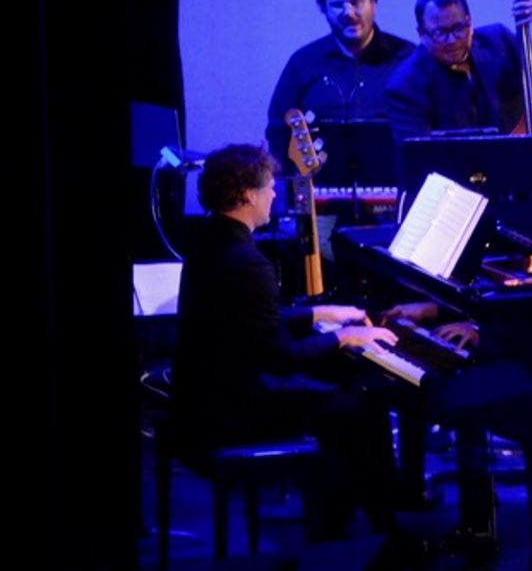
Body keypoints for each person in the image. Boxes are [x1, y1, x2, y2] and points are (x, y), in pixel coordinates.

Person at [170, 143, 404, 540]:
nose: (275, 193)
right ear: (246, 195)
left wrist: (319, 314)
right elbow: (280, 357)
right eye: (268, 186)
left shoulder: (210, 243)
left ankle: (341, 519)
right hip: (231, 414)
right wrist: (347, 336)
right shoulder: (248, 262)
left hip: (201, 400)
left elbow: (249, 320)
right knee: (359, 406)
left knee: (344, 396)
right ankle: (374, 531)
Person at [385, 0, 532, 143]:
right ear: (421, 34)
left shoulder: (499, 43)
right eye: (440, 33)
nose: (452, 40)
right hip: (451, 184)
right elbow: (419, 160)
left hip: (516, 174)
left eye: (458, 28)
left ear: (470, 23)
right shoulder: (405, 86)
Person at [266, 0, 415, 164]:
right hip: (319, 188)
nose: (349, 13)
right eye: (337, 5)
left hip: (397, 186)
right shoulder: (303, 63)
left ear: (374, 3)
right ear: (323, 9)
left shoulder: (408, 58)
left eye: (356, 2)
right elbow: (278, 131)